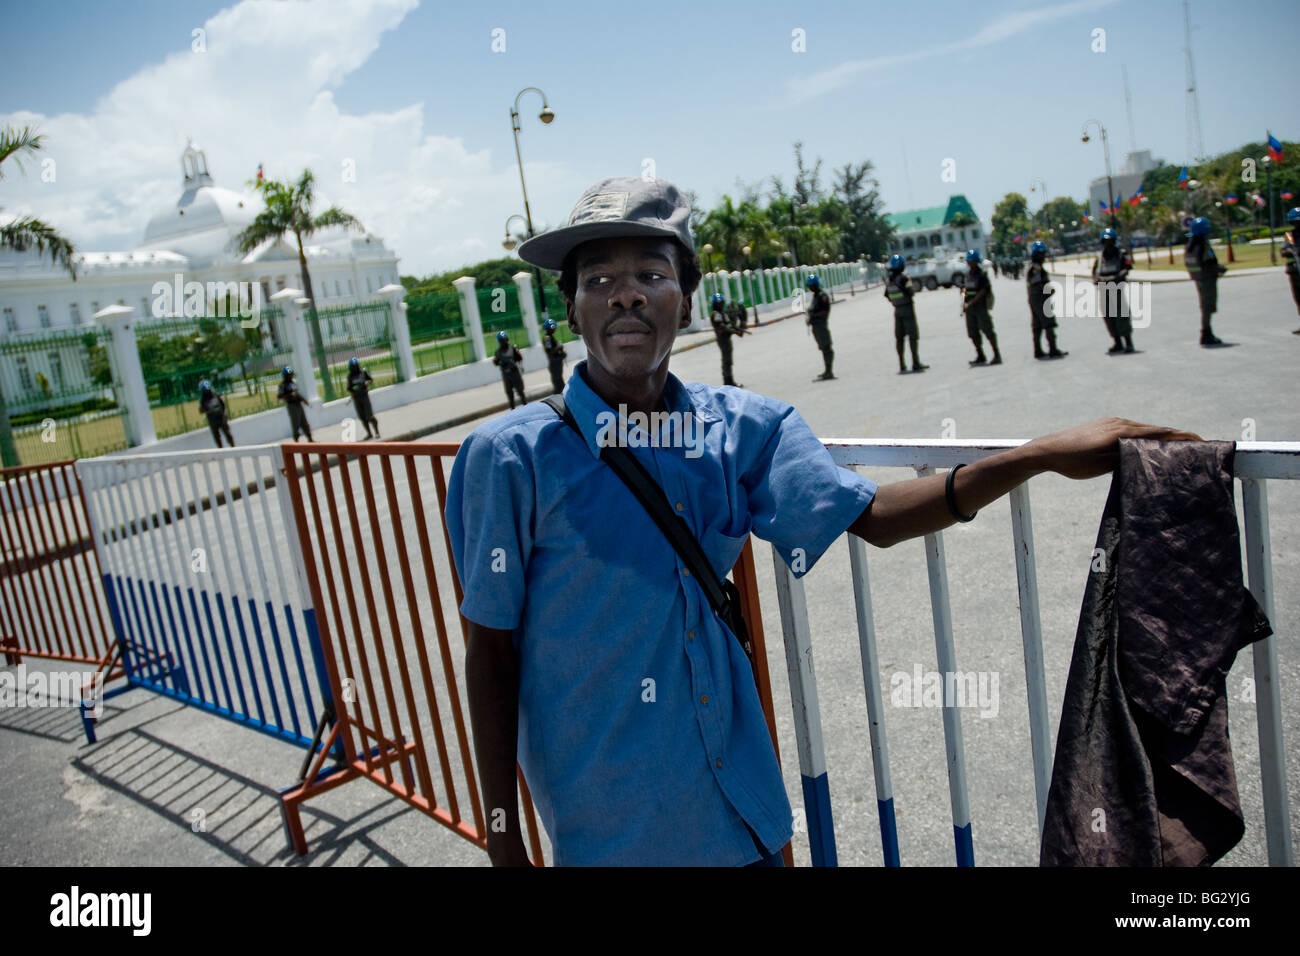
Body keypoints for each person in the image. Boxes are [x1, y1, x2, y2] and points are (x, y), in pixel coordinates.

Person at [443, 174, 1200, 868]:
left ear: (688, 296)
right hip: (612, 829)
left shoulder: (743, 429)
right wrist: (505, 841)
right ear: (571, 308)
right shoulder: (510, 459)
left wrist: (1038, 454)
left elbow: (871, 515)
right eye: (599, 279)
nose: (626, 295)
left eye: (651, 273)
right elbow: (492, 653)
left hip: (745, 812)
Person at [1184, 217, 1227, 346]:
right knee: (1208, 307)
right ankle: (1206, 333)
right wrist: (1220, 268)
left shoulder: (1190, 246)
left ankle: (1206, 332)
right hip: (1207, 279)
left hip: (1198, 279)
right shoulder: (1204, 245)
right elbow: (1209, 261)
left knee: (1204, 305)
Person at [1091, 228, 1135, 354]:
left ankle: (1128, 343)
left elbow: (1128, 267)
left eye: (1110, 241)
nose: (1108, 244)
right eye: (1105, 241)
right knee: (1109, 316)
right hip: (1104, 289)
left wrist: (1119, 276)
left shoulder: (1121, 254)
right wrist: (1096, 279)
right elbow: (1094, 272)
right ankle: (1117, 342)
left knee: (1122, 315)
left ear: (1114, 241)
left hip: (1117, 288)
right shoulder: (1100, 257)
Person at [884, 254, 927, 373]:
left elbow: (887, 295)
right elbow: (911, 292)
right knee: (912, 337)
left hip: (897, 310)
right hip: (907, 309)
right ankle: (916, 362)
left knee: (899, 338)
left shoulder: (889, 280)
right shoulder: (905, 278)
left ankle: (902, 364)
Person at [1026, 241, 1066, 359]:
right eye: (1041, 253)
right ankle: (1053, 349)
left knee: (1037, 325)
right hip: (1040, 298)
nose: (1043, 255)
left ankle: (1038, 350)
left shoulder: (1034, 267)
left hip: (1035, 298)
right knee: (1048, 323)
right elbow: (1037, 283)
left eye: (1043, 253)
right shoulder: (1036, 268)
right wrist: (1048, 290)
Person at [961, 249, 1002, 366]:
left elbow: (983, 291)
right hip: (969, 308)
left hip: (979, 307)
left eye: (972, 261)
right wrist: (964, 303)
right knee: (973, 333)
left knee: (988, 331)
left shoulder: (982, 275)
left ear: (976, 261)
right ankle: (980, 355)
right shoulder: (968, 275)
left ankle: (996, 354)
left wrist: (972, 302)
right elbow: (965, 290)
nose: (970, 263)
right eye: (968, 261)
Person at [709, 292, 745, 387]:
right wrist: (735, 332)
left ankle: (730, 380)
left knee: (729, 360)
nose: (720, 305)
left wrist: (738, 329)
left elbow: (729, 324)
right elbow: (722, 326)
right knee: (726, 360)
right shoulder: (716, 314)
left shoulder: (723, 314)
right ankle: (727, 382)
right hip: (722, 339)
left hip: (727, 339)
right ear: (714, 304)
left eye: (721, 303)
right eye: (718, 303)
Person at [805, 273, 834, 380]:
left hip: (821, 325)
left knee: (827, 348)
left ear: (815, 285)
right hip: (816, 326)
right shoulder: (816, 296)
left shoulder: (822, 296)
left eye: (811, 285)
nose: (809, 287)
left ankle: (829, 371)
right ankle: (826, 370)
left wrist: (813, 316)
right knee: (823, 348)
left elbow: (825, 311)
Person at [346, 357, 380, 439]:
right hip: (356, 399)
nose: (353, 368)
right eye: (352, 366)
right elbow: (348, 388)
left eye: (355, 366)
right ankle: (369, 434)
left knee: (370, 416)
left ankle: (377, 432)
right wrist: (354, 389)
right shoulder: (350, 376)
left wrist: (367, 383)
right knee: (362, 417)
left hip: (364, 397)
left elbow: (370, 380)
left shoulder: (363, 372)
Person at [277, 366, 313, 441]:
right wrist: (289, 395)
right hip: (292, 405)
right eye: (289, 375)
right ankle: (296, 439)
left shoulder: (293, 383)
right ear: (285, 376)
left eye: (291, 375)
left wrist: (304, 401)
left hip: (298, 404)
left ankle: (310, 438)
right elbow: (280, 396)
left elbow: (297, 394)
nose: (291, 376)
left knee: (304, 421)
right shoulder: (283, 385)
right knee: (295, 423)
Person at [494, 330, 527, 409]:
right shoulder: (498, 352)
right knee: (509, 393)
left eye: (504, 339)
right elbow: (496, 362)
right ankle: (512, 409)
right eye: (501, 340)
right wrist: (498, 362)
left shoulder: (513, 348)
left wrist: (521, 366)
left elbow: (519, 358)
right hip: (506, 374)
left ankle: (525, 406)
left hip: (514, 372)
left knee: (520, 391)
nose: (503, 341)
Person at [197, 380, 234, 447]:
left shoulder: (216, 396)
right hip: (212, 420)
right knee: (217, 437)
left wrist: (225, 414)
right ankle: (221, 451)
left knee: (227, 434)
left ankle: (233, 447)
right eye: (204, 390)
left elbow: (223, 405)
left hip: (221, 418)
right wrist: (204, 409)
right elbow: (200, 411)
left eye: (207, 389)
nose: (206, 391)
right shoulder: (202, 400)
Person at [1285, 208, 1300, 335]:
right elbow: (1283, 251)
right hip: (1294, 270)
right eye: (1295, 222)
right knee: (1299, 297)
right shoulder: (1289, 237)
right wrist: (1288, 251)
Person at [542, 318, 568, 394]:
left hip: (557, 364)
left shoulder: (551, 337)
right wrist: (558, 347)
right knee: (558, 386)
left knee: (560, 384)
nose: (554, 329)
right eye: (552, 328)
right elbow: (550, 351)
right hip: (554, 364)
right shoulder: (547, 338)